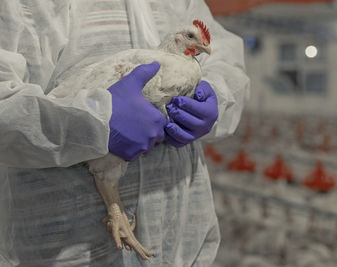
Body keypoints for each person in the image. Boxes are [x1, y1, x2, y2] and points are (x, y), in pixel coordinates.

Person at [0, 0, 249, 266]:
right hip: (64, 247)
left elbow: (225, 61)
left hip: (179, 240)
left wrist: (216, 96)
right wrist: (91, 120)